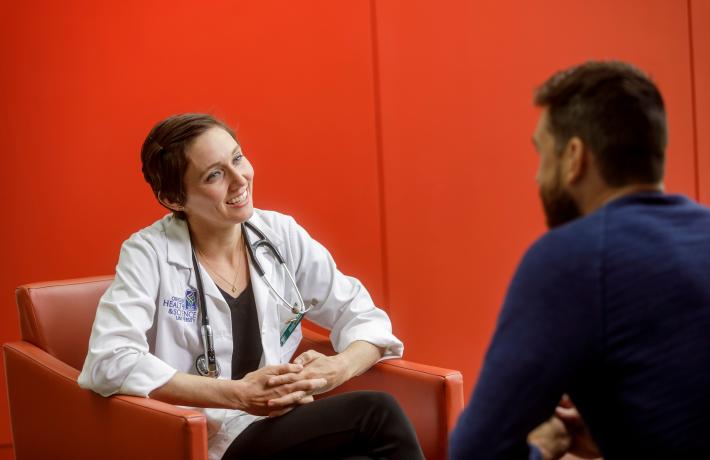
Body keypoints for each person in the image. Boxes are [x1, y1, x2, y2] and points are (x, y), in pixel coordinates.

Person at [78, 113, 424, 460]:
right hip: (203, 438)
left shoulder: (279, 234)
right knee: (376, 412)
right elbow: (110, 360)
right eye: (215, 174)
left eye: (237, 158)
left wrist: (340, 368)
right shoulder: (148, 253)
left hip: (274, 427)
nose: (239, 179)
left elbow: (364, 316)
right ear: (174, 198)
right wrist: (238, 394)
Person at [449, 61, 710, 459]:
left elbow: (477, 451)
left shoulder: (571, 259)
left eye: (542, 153)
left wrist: (543, 447)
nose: (538, 177)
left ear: (575, 157)